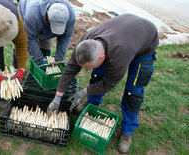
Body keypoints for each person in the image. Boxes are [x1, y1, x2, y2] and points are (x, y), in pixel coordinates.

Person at [47, 14, 159, 153]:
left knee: (133, 91)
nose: (85, 70)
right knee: (97, 74)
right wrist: (57, 98)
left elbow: (108, 84)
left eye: (88, 66)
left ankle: (128, 131)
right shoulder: (85, 43)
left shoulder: (120, 55)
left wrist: (83, 92)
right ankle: (92, 104)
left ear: (103, 57)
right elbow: (70, 70)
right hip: (124, 30)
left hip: (145, 44)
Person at [13, 0, 75, 68]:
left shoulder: (71, 15)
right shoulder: (32, 13)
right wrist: (39, 60)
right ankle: (16, 68)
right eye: (54, 24)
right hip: (26, 11)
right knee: (20, 43)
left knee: (46, 46)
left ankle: (42, 69)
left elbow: (66, 37)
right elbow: (30, 39)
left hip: (43, 21)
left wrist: (59, 59)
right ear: (47, 13)